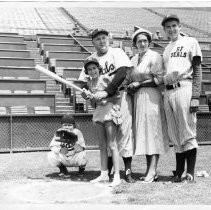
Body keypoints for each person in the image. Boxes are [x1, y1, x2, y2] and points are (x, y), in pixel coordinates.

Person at [79, 28, 135, 183]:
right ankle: (106, 171)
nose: (101, 41)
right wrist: (87, 93)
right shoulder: (91, 59)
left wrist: (106, 93)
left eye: (104, 38)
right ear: (93, 42)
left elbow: (123, 73)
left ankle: (126, 171)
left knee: (123, 134)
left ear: (108, 39)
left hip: (119, 97)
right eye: (98, 39)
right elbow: (83, 83)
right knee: (105, 142)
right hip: (100, 106)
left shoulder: (116, 52)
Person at [121, 28, 169, 183]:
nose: (142, 43)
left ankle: (153, 170)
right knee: (146, 134)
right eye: (139, 41)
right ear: (135, 44)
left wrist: (138, 83)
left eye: (145, 41)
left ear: (149, 42)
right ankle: (150, 171)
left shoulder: (155, 56)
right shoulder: (134, 59)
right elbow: (128, 79)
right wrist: (128, 85)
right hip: (138, 99)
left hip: (151, 96)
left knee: (153, 133)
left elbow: (159, 79)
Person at [161, 15, 202, 183]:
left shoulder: (191, 41)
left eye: (174, 26)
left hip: (185, 87)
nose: (171, 29)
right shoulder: (166, 49)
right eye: (168, 27)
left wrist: (196, 97)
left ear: (179, 26)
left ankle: (190, 173)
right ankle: (179, 172)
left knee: (187, 131)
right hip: (169, 91)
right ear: (164, 30)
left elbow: (197, 69)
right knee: (175, 134)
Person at [82, 57, 122, 187]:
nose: (92, 71)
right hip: (98, 113)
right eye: (89, 69)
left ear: (98, 69)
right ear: (87, 72)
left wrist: (106, 97)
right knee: (102, 145)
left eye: (94, 68)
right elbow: (94, 104)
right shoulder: (89, 84)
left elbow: (117, 96)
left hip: (110, 111)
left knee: (112, 144)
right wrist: (89, 97)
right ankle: (104, 173)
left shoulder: (106, 78)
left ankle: (116, 176)